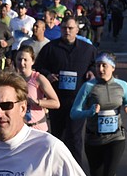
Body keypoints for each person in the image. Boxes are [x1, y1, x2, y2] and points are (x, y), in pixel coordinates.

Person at [33, 17, 97, 163]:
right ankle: (57, 166)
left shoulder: (87, 49)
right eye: (63, 28)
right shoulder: (50, 48)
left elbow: (95, 63)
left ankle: (76, 169)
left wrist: (91, 71)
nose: (66, 31)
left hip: (78, 100)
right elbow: (39, 67)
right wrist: (48, 75)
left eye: (70, 28)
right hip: (57, 99)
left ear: (77, 30)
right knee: (57, 136)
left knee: (74, 137)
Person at [15, 45, 60, 132]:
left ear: (32, 61)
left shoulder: (38, 78)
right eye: (19, 59)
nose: (22, 63)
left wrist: (37, 102)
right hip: (20, 129)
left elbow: (56, 103)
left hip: (38, 128)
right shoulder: (13, 80)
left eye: (25, 60)